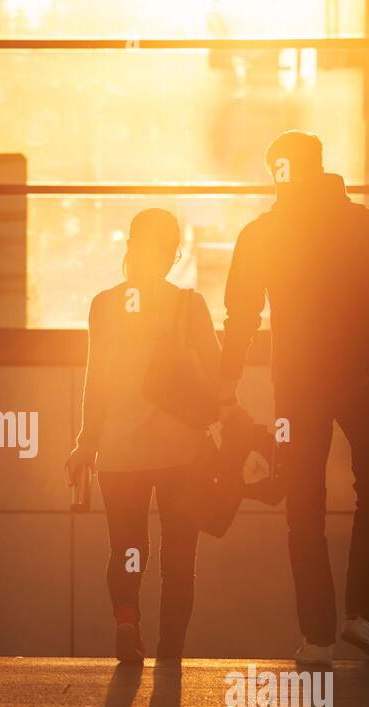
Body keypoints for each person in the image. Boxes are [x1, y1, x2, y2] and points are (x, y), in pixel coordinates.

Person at [220, 130, 369, 666]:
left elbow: (240, 321)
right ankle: (360, 617)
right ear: (320, 166)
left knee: (303, 506)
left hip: (298, 389)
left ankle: (316, 639)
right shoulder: (364, 225)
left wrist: (225, 391)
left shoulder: (262, 234)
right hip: (364, 379)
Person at [65, 208, 224, 664]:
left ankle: (127, 619)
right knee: (179, 557)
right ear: (173, 253)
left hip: (119, 452)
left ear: (131, 246)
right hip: (181, 452)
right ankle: (170, 651)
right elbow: (214, 376)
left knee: (128, 547)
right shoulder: (188, 304)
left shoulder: (105, 304)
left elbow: (96, 381)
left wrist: (86, 442)